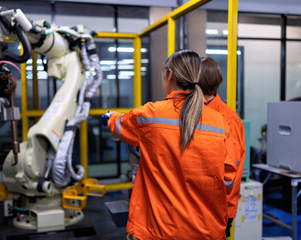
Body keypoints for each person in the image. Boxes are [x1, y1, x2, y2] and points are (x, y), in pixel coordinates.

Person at [101, 50, 236, 240]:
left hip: (159, 230)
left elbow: (119, 123)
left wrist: (109, 116)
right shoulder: (220, 121)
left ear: (170, 75)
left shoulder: (150, 115)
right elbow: (228, 179)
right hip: (206, 229)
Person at [199, 56, 246, 237]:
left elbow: (229, 173)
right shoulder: (197, 111)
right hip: (199, 205)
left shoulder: (227, 119)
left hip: (218, 208)